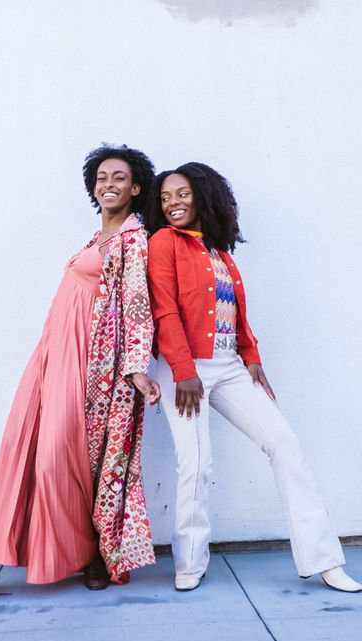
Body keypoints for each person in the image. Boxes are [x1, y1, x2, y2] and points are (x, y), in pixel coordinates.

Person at [145, 162, 361, 593]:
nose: (173, 203)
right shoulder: (163, 242)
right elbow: (164, 308)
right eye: (166, 197)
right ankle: (189, 564)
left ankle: (324, 560)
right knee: (196, 463)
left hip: (228, 368)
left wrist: (251, 355)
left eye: (182, 193)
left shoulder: (220, 252)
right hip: (183, 370)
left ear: (204, 195)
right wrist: (184, 371)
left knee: (285, 445)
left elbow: (235, 314)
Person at [0, 144, 161, 606]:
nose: (108, 184)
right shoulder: (95, 240)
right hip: (53, 355)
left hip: (90, 364)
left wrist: (136, 368)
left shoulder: (134, 240)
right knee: (21, 449)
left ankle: (86, 553)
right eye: (101, 177)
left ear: (135, 189)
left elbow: (137, 306)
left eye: (119, 178)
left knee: (62, 458)